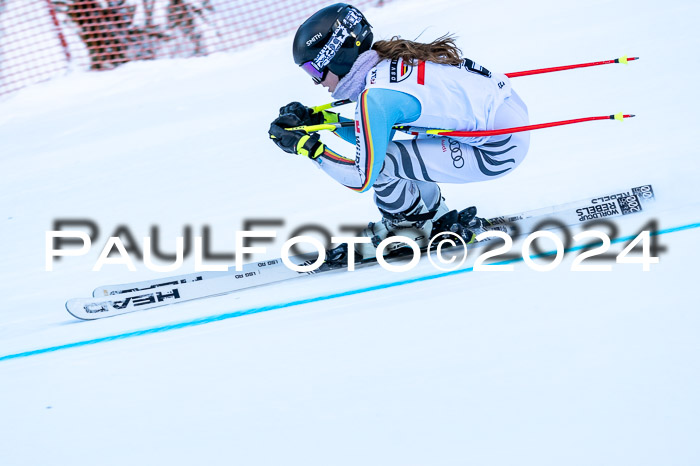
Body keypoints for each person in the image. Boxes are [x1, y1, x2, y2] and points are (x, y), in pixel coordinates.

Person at [268, 3, 530, 261]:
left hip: (498, 150)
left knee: (383, 165)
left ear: (335, 57)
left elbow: (363, 178)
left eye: (314, 70)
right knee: (391, 154)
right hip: (505, 124)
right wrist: (321, 119)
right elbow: (374, 135)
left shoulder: (376, 97)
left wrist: (309, 148)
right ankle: (435, 218)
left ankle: (408, 231)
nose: (317, 81)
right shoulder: (386, 64)